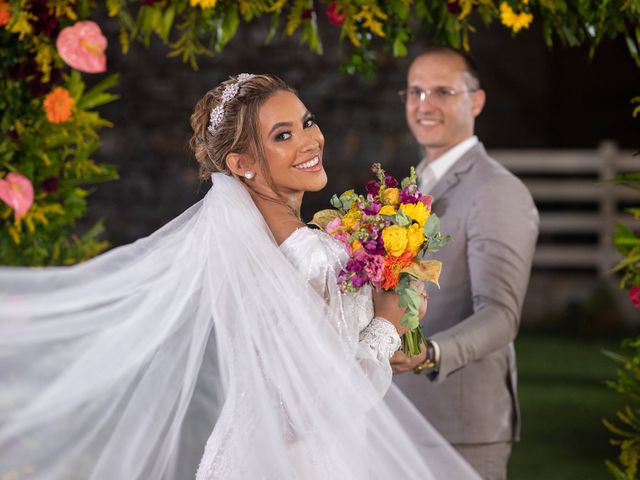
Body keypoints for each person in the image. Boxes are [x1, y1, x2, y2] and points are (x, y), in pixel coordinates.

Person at [0, 74, 480, 479]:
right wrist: (387, 327)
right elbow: (318, 403)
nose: (311, 140)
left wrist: (389, 328)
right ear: (242, 164)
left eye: (307, 122)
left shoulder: (257, 251)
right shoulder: (308, 258)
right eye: (283, 135)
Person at [390, 48, 539, 480]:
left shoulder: (495, 190)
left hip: (459, 428)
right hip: (397, 418)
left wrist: (429, 355)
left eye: (442, 91)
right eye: (415, 91)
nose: (423, 104)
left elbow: (500, 314)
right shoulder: (413, 185)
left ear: (475, 101)